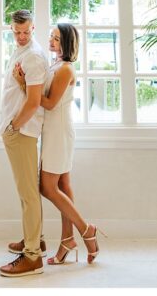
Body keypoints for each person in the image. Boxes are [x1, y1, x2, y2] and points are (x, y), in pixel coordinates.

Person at [15, 23, 103, 265]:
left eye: (56, 38)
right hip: (53, 130)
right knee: (63, 184)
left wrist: (25, 86)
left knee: (47, 187)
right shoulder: (54, 65)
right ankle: (67, 240)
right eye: (50, 37)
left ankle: (87, 230)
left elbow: (51, 103)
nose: (52, 41)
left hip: (60, 131)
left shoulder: (65, 69)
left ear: (67, 42)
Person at [0, 9, 48, 278]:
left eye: (26, 32)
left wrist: (13, 126)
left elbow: (33, 101)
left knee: (28, 193)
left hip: (23, 132)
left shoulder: (34, 57)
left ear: (33, 27)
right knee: (25, 191)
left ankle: (32, 256)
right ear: (11, 29)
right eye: (17, 32)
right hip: (17, 130)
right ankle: (35, 240)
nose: (21, 36)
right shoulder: (21, 50)